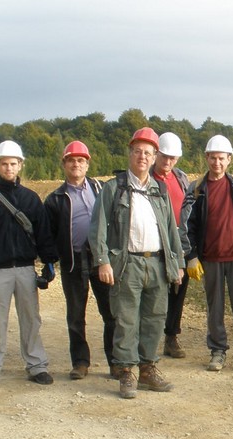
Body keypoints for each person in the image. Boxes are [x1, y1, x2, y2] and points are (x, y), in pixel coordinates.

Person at [90, 127, 185, 399]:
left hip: (156, 263)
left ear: (154, 157)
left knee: (155, 318)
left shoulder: (159, 189)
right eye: (138, 152)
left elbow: (171, 229)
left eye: (148, 153)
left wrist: (177, 263)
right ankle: (126, 372)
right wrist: (103, 262)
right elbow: (98, 229)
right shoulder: (114, 188)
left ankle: (147, 370)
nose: (143, 157)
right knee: (126, 319)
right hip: (127, 264)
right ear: (130, 154)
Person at [0, 140, 59, 390]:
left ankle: (37, 366)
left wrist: (49, 262)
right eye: (4, 164)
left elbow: (43, 233)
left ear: (20, 166)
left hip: (26, 270)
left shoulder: (31, 199)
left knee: (31, 320)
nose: (9, 168)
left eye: (13, 163)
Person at [185, 135, 233, 373]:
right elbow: (187, 225)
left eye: (221, 158)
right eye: (212, 158)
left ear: (229, 159)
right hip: (210, 259)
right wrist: (191, 256)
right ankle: (217, 350)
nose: (216, 163)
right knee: (214, 308)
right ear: (206, 158)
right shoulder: (196, 189)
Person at [43, 140, 115, 381]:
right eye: (71, 160)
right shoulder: (55, 199)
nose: (76, 164)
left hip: (101, 259)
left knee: (111, 312)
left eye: (81, 160)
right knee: (75, 316)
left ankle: (115, 362)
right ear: (64, 164)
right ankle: (80, 362)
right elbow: (48, 234)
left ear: (87, 164)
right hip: (73, 262)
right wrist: (50, 262)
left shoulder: (101, 189)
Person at [151, 132, 193, 359]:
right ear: (156, 154)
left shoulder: (181, 177)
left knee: (178, 290)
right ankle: (147, 338)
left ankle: (171, 337)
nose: (168, 162)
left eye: (172, 158)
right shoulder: (146, 178)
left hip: (180, 241)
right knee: (156, 290)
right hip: (156, 242)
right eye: (164, 156)